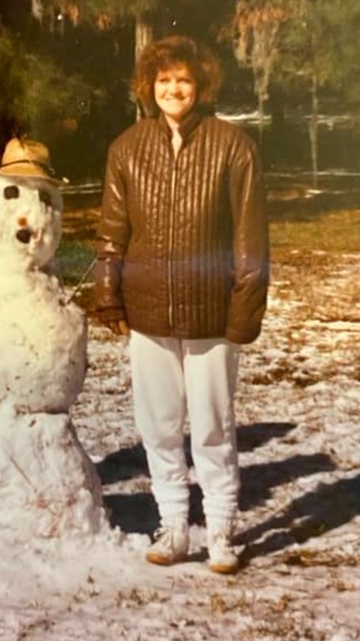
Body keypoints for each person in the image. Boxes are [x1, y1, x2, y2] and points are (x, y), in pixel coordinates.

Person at [92, 36, 270, 574]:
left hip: (211, 311)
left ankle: (220, 531)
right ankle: (174, 526)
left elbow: (250, 239)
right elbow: (111, 234)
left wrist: (244, 309)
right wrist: (108, 294)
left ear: (202, 86)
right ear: (148, 86)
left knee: (213, 425)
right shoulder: (126, 148)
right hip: (147, 312)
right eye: (164, 80)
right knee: (159, 424)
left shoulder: (232, 146)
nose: (174, 90)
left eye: (184, 80)